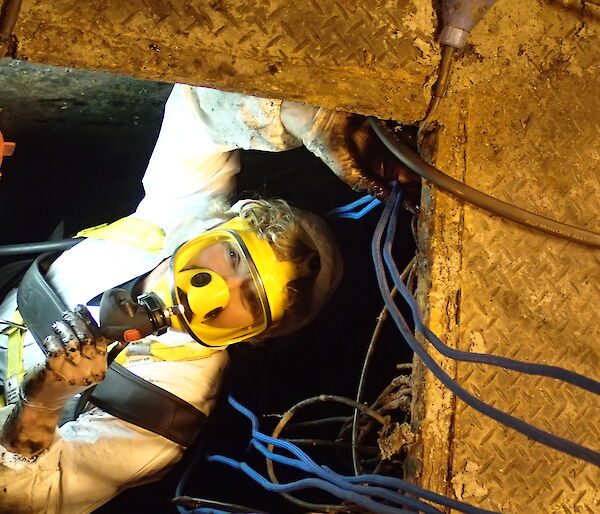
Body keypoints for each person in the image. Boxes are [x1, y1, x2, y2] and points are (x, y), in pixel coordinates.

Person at [0, 84, 415, 513]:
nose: (214, 288)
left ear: (255, 336)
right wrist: (306, 121)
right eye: (233, 255)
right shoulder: (180, 218)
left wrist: (43, 402)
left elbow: (28, 499)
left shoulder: (164, 411)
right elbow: (197, 107)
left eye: (251, 301)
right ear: (220, 222)